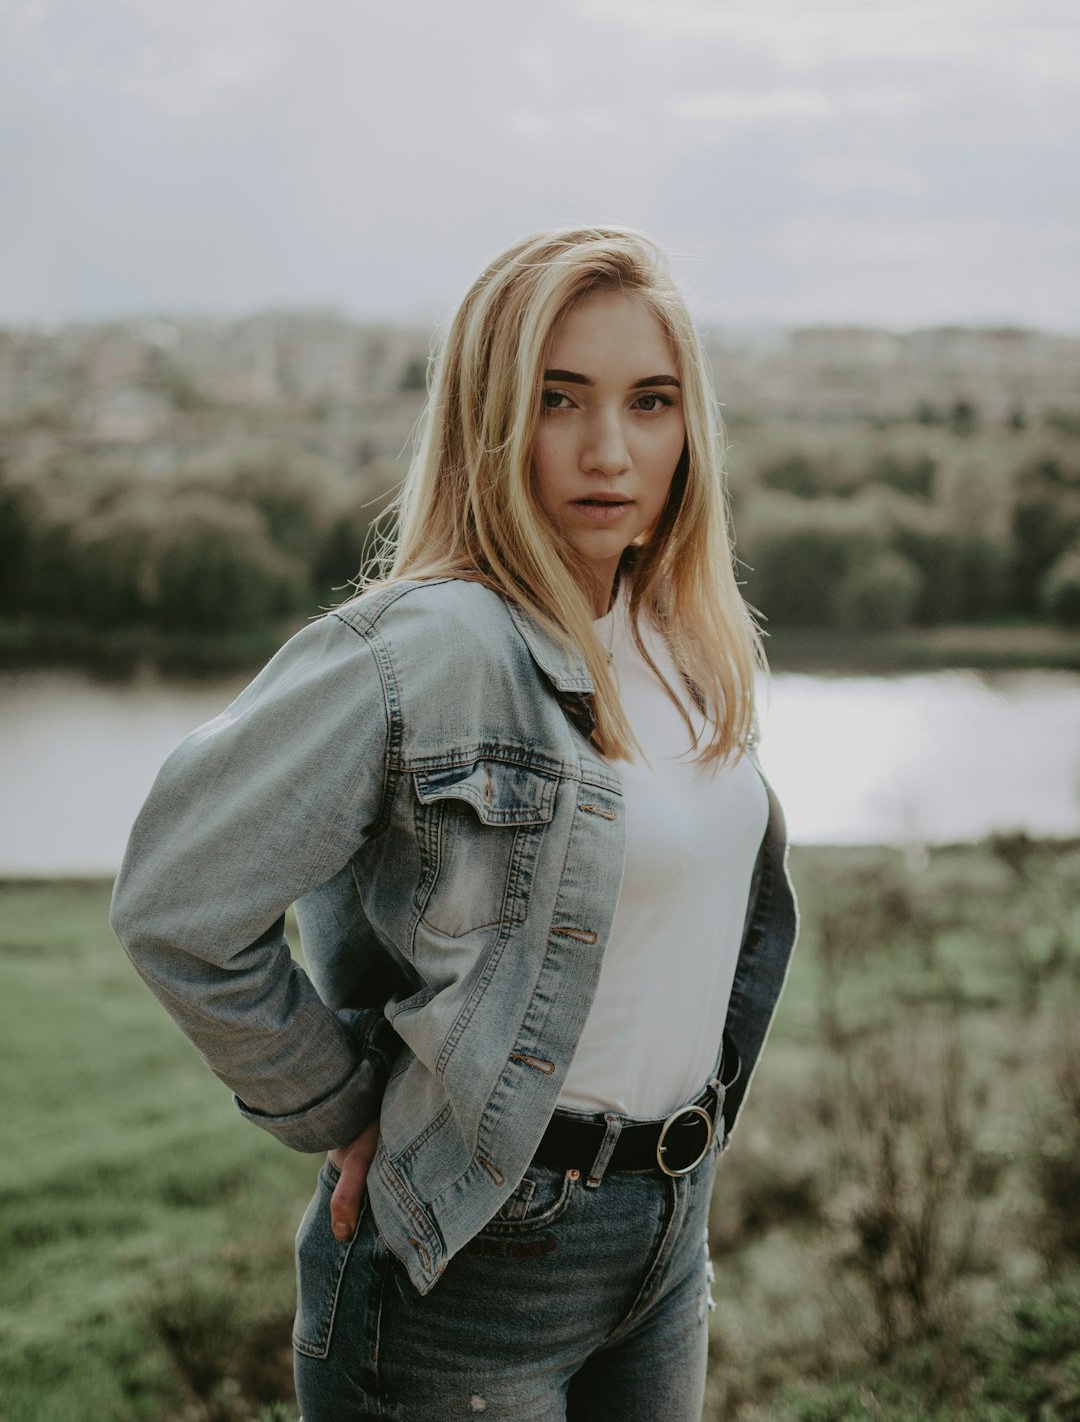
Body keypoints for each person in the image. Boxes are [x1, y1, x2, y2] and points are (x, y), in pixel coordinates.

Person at [111, 226, 798, 1422]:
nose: (609, 449)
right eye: (557, 399)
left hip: (665, 1236)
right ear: (488, 416)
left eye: (651, 401)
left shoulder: (677, 636)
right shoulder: (427, 646)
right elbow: (179, 900)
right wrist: (339, 1106)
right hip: (470, 1267)